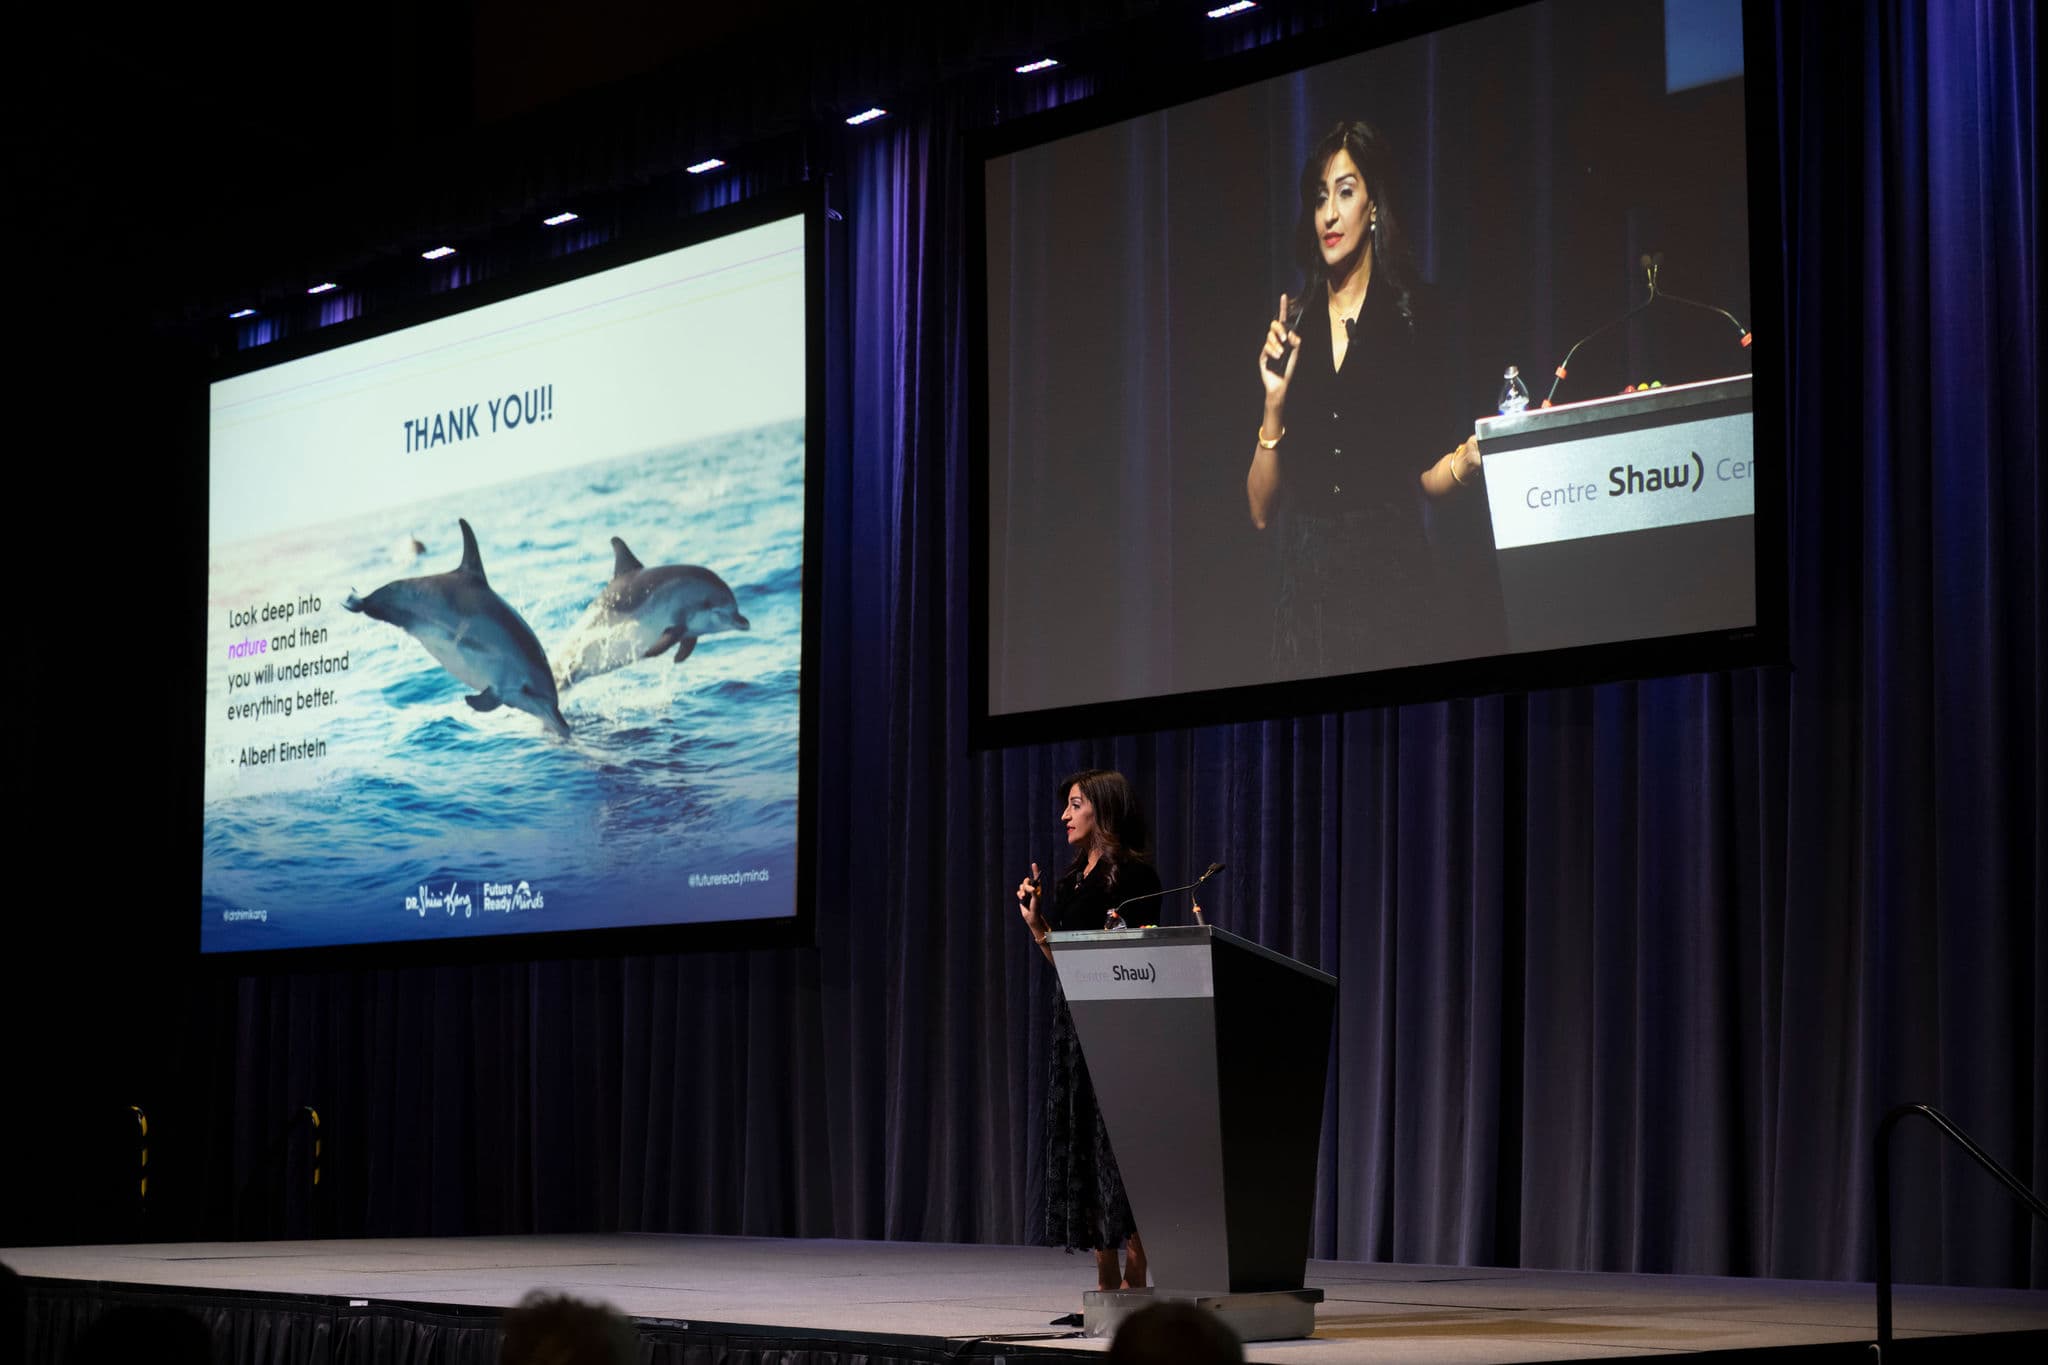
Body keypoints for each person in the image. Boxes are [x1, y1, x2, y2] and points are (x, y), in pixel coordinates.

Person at [1246, 119, 1486, 676]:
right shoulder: (1293, 328)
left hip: (1391, 597)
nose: (1329, 214)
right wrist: (1274, 401)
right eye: (1320, 197)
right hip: (1305, 608)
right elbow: (1260, 511)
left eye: (1346, 193)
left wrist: (1468, 461)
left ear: (1374, 206)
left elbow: (1426, 478)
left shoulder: (1415, 317)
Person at [1014, 768, 1162, 1292]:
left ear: (1102, 807)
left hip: (1120, 1027)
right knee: (1078, 1144)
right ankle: (1104, 1277)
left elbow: (1136, 958)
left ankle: (1136, 1272)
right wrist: (1038, 925)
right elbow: (1067, 963)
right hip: (1073, 1026)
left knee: (1119, 1147)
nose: (1064, 816)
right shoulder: (1071, 880)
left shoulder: (1136, 877)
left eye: (1075, 804)